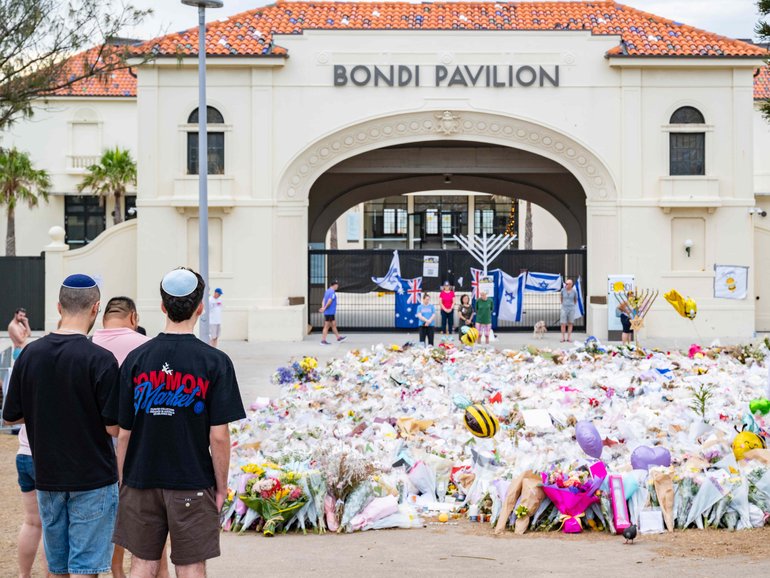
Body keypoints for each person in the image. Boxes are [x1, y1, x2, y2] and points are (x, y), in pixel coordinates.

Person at [107, 268, 246, 578]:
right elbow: (219, 436)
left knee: (142, 563)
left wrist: (123, 481)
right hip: (192, 480)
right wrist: (221, 486)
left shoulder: (136, 359)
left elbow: (124, 432)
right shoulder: (215, 362)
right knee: (191, 565)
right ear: (200, 307)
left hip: (141, 479)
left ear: (162, 306)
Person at [3, 273, 120, 578]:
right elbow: (113, 427)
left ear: (58, 306)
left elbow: (11, 415)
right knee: (86, 568)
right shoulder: (102, 359)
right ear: (96, 308)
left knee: (57, 567)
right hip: (92, 475)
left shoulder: (30, 354)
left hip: (48, 475)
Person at [92, 297, 170, 578]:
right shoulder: (145, 348)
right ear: (134, 318)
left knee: (107, 520)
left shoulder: (88, 344)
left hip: (96, 446)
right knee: (152, 523)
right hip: (138, 444)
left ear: (101, 318)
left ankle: (115, 570)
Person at [15, 423, 45, 578]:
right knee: (52, 525)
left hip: (24, 452)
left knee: (32, 522)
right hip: (46, 455)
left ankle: (24, 575)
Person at [319, 279, 346, 345]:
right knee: (327, 326)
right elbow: (329, 301)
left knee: (333, 325)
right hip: (330, 312)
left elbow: (323, 300)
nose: (337, 286)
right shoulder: (332, 292)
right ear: (334, 285)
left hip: (329, 312)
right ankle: (323, 340)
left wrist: (323, 307)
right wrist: (324, 308)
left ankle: (338, 337)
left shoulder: (327, 291)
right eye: (337, 285)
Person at [560, 278, 579, 342]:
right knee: (563, 323)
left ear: (571, 284)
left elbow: (575, 300)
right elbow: (561, 298)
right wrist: (563, 304)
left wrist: (572, 305)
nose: (566, 285)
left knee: (570, 323)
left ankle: (569, 337)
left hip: (571, 308)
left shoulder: (574, 291)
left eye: (567, 284)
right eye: (566, 283)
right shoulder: (563, 290)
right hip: (564, 308)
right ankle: (563, 337)